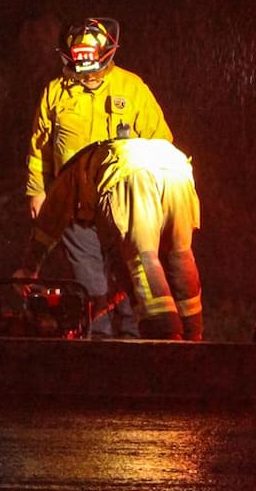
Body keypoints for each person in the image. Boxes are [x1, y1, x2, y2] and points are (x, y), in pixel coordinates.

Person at [25, 17, 172, 337]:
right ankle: (99, 346)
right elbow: (40, 147)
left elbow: (162, 143)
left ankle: (136, 345)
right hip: (74, 207)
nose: (86, 72)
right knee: (89, 285)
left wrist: (159, 197)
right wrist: (37, 191)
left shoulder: (132, 88)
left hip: (123, 208)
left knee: (130, 280)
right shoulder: (55, 92)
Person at [15, 137, 202, 340]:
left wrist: (28, 269)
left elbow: (47, 225)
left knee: (143, 259)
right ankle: (194, 336)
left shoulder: (71, 174)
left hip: (131, 174)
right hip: (177, 169)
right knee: (179, 255)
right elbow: (122, 264)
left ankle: (166, 339)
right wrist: (108, 299)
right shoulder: (106, 156)